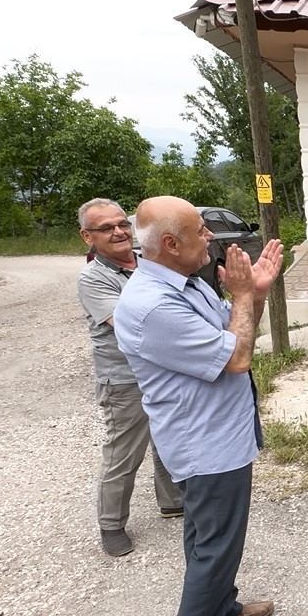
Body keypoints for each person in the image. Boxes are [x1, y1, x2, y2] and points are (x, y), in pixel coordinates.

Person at [114, 195, 283, 616]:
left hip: (220, 434)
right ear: (169, 244)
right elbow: (236, 359)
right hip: (205, 445)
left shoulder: (186, 282)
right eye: (200, 230)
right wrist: (243, 295)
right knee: (215, 545)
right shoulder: (153, 306)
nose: (210, 236)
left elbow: (236, 333)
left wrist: (254, 291)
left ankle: (222, 609)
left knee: (206, 538)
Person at [76, 198, 183, 557]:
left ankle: (172, 501)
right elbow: (133, 324)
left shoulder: (146, 262)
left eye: (123, 223)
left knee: (167, 439)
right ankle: (111, 524)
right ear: (87, 237)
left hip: (160, 370)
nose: (120, 232)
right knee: (124, 453)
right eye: (107, 228)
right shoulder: (93, 279)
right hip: (124, 380)